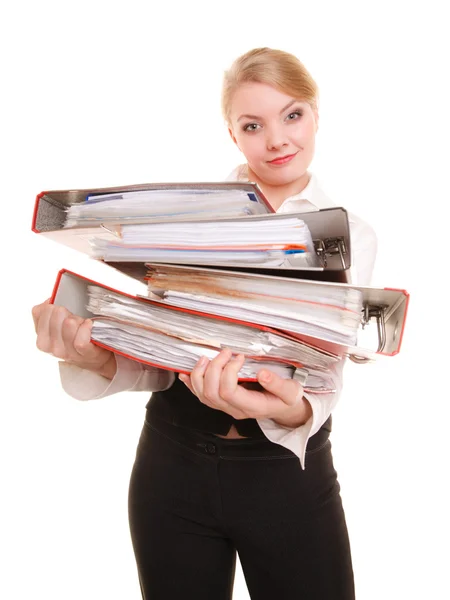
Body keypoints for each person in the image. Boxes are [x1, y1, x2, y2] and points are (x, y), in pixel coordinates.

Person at [32, 47, 377, 600]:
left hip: (286, 475)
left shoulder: (348, 235)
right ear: (232, 135)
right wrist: (98, 354)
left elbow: (327, 371)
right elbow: (164, 353)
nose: (278, 139)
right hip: (173, 468)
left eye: (293, 115)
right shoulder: (187, 224)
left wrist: (287, 406)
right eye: (252, 125)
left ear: (316, 114)